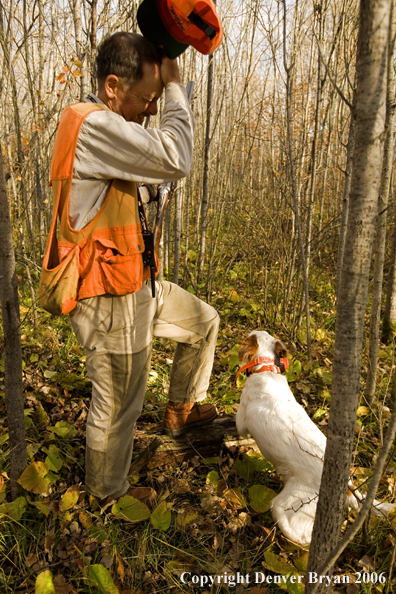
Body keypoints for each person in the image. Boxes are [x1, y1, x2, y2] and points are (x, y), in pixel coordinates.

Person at [49, 32, 219, 500]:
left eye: (156, 100)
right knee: (120, 403)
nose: (151, 109)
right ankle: (105, 495)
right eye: (147, 98)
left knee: (204, 322)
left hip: (136, 284)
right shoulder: (90, 125)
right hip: (107, 295)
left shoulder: (115, 131)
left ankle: (183, 408)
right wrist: (177, 86)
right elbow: (176, 157)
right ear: (111, 86)